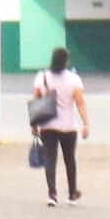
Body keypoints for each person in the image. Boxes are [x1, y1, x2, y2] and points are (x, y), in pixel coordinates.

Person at [29, 47, 88, 205]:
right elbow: (80, 103)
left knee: (50, 160)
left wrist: (34, 124)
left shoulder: (42, 77)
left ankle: (52, 195)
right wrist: (86, 124)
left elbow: (35, 99)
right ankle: (72, 193)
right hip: (68, 127)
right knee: (70, 160)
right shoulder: (74, 79)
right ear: (66, 61)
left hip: (47, 125)